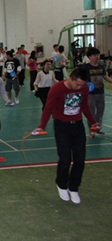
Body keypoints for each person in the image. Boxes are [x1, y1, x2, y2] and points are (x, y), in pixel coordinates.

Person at [33, 68, 100, 204]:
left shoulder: (84, 88)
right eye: (77, 84)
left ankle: (74, 187)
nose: (80, 87)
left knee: (80, 159)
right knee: (65, 159)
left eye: (82, 85)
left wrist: (93, 122)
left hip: (78, 126)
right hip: (61, 126)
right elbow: (48, 108)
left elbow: (85, 106)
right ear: (70, 78)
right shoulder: (57, 89)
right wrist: (42, 126)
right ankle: (62, 184)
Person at [81, 47, 112, 130]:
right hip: (90, 94)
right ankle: (91, 128)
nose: (97, 57)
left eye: (98, 55)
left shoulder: (101, 67)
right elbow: (81, 80)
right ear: (89, 57)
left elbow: (105, 77)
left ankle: (98, 127)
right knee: (91, 113)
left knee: (100, 112)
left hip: (100, 92)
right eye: (94, 55)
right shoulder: (85, 68)